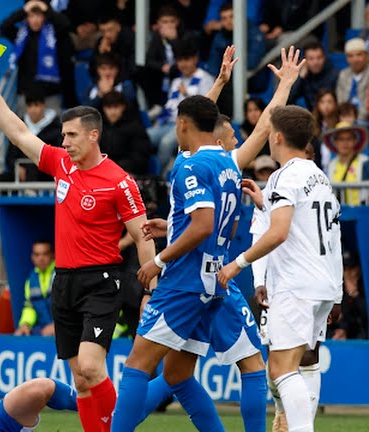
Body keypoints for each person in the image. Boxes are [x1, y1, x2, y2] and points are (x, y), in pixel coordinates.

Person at [129, 46, 304, 432]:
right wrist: (171, 224)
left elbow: (199, 127)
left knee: (142, 365)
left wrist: (160, 257)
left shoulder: (200, 162)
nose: (236, 135)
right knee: (183, 372)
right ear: (220, 135)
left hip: (192, 274)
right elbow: (202, 122)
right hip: (219, 279)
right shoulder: (226, 162)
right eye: (231, 132)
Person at [0, 59, 155, 432]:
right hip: (64, 282)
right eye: (63, 135)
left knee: (93, 367)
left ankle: (120, 427)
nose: (64, 142)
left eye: (72, 135)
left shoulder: (119, 181)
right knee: (79, 378)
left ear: (93, 136)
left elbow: (142, 235)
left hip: (101, 281)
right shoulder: (62, 165)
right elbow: (19, 134)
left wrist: (150, 288)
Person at [219, 105, 344, 432]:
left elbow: (279, 232)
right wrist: (339, 292)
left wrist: (238, 263)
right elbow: (331, 235)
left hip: (296, 284)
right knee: (307, 361)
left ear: (276, 137)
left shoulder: (283, 176)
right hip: (323, 285)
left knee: (281, 368)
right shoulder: (320, 177)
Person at [147, 38, 214, 175]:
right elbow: (169, 106)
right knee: (145, 136)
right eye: (180, 60)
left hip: (189, 125)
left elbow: (206, 106)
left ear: (195, 59)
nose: (183, 64)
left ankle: (157, 178)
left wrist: (187, 94)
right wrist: (158, 121)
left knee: (166, 143)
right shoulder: (177, 80)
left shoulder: (205, 78)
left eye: (186, 60)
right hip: (169, 122)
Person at [0, 0, 78, 114]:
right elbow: (4, 27)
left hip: (50, 94)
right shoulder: (21, 36)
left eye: (39, 15)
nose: (35, 20)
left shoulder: (55, 34)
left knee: (54, 130)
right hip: (26, 95)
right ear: (26, 18)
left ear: (44, 17)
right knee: (24, 130)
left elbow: (65, 24)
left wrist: (46, 9)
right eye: (31, 16)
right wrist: (24, 10)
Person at [0, 88, 62, 184]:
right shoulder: (19, 125)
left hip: (45, 172)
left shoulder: (56, 127)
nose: (33, 110)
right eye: (30, 106)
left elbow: (58, 153)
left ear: (43, 105)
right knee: (3, 178)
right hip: (23, 172)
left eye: (36, 105)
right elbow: (10, 156)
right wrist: (16, 168)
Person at [99, 91, 150, 176]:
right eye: (108, 107)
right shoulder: (99, 128)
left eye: (116, 107)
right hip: (103, 171)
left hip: (128, 173)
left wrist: (117, 168)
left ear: (123, 107)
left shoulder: (135, 128)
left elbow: (141, 158)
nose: (112, 111)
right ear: (103, 108)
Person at [14, 240, 56, 337]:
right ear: (32, 257)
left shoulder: (62, 275)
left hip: (64, 328)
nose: (41, 258)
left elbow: (70, 306)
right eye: (37, 255)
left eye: (45, 254)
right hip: (43, 330)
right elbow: (30, 307)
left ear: (52, 255)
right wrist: (25, 324)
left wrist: (57, 325)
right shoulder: (31, 280)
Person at [322, 121, 369, 206]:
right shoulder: (331, 165)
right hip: (338, 215)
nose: (345, 143)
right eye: (341, 139)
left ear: (355, 141)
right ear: (335, 142)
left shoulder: (365, 162)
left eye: (349, 139)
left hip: (360, 213)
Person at [288, 39, 340, 111]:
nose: (315, 62)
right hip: (313, 118)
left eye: (319, 58)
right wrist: (301, 77)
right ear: (305, 60)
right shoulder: (304, 77)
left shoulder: (335, 74)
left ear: (324, 58)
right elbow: (288, 100)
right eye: (311, 59)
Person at [336, 38, 369, 123]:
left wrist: (355, 119)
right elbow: (341, 101)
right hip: (345, 119)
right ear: (347, 58)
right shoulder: (343, 74)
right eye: (351, 56)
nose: (355, 59)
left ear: (367, 56)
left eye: (359, 55)